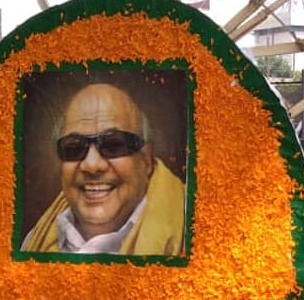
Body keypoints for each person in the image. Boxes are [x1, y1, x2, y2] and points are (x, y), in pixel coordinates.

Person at [20, 82, 186, 255]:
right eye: (74, 148)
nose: (92, 165)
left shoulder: (195, 226)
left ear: (146, 161)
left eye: (113, 145)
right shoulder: (34, 241)